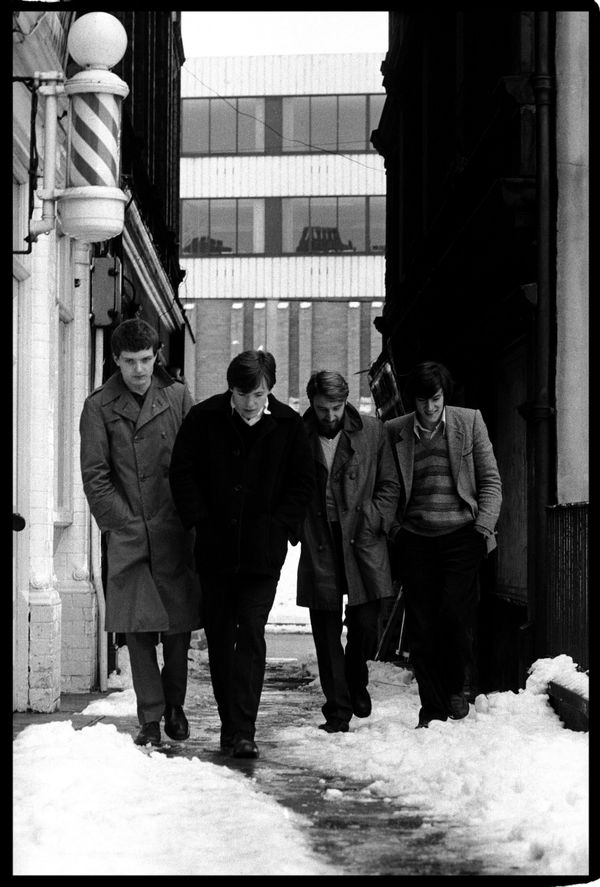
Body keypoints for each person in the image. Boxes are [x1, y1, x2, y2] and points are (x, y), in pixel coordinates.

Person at [168, 350, 314, 759]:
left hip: (262, 553)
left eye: (258, 394)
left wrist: (281, 525)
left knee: (250, 632)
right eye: (241, 394)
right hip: (215, 550)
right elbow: (182, 472)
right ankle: (229, 724)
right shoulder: (203, 419)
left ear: (270, 390)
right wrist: (199, 520)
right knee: (220, 637)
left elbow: (302, 482)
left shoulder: (288, 425)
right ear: (230, 389)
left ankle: (244, 729)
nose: (250, 403)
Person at [79, 318, 201, 748]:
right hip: (129, 529)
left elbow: (195, 459)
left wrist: (190, 514)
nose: (139, 369)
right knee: (138, 629)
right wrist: (122, 522)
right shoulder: (99, 406)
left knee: (178, 626)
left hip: (174, 527)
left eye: (146, 359)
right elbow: (95, 475)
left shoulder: (178, 396)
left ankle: (175, 705)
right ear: (116, 359)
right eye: (130, 361)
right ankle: (150, 716)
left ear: (157, 356)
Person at [385, 360, 502, 729]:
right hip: (416, 538)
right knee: (421, 628)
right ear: (413, 400)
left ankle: (454, 686)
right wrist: (395, 531)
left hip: (462, 535)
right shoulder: (395, 431)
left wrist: (482, 529)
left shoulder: (469, 422)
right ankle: (431, 710)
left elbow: (491, 481)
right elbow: (387, 487)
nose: (430, 408)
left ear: (444, 395)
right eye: (423, 401)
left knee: (454, 614)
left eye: (435, 399)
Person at [297, 371, 400, 733]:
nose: (330, 416)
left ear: (346, 402)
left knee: (366, 624)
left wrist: (375, 517)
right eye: (322, 409)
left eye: (337, 408)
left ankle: (356, 680)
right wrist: (298, 526)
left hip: (362, 535)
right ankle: (337, 711)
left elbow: (390, 484)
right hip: (319, 536)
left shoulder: (372, 431)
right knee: (325, 631)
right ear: (311, 403)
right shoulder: (298, 434)